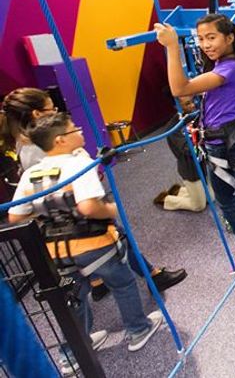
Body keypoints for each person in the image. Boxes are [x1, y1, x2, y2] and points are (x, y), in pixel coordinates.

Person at [0, 87, 187, 300]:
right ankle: (151, 278)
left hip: (67, 213)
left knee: (109, 243)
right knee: (117, 238)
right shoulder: (37, 149)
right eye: (52, 109)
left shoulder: (25, 144)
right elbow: (58, 180)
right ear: (37, 114)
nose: (57, 112)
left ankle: (101, 282)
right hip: (76, 210)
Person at [7, 113, 164, 356]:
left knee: (75, 297)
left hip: (57, 254)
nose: (80, 131)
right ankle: (138, 329)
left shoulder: (30, 175)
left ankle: (72, 352)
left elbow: (15, 217)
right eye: (74, 129)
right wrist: (110, 209)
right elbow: (88, 207)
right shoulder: (78, 164)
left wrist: (47, 211)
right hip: (96, 247)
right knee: (122, 283)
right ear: (60, 140)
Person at [155, 14, 235, 272]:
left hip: (223, 144)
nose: (206, 44)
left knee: (226, 198)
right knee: (232, 193)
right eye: (201, 39)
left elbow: (180, 88)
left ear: (229, 38)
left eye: (212, 37)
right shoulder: (227, 65)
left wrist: (173, 47)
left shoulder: (229, 68)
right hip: (224, 140)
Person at [154, 96, 208, 212]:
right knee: (199, 206)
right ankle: (166, 199)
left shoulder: (196, 116)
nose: (193, 105)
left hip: (203, 165)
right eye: (187, 104)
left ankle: (180, 191)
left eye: (192, 101)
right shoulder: (173, 128)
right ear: (177, 106)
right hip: (190, 170)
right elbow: (189, 150)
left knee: (211, 198)